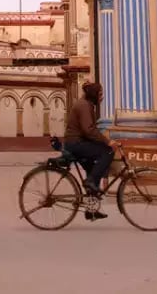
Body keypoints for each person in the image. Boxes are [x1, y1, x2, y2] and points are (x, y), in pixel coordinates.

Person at [64, 81, 117, 220]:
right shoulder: (84, 106)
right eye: (100, 94)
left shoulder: (87, 105)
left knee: (93, 169)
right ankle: (91, 182)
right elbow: (89, 130)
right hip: (75, 143)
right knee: (108, 151)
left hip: (77, 142)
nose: (102, 97)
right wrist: (108, 141)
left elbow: (89, 131)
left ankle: (91, 209)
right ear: (93, 94)